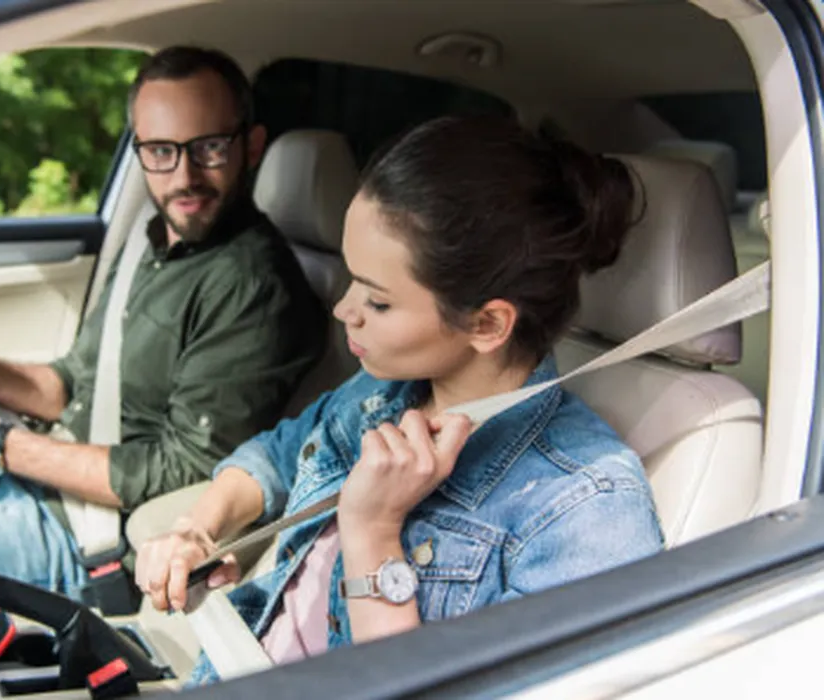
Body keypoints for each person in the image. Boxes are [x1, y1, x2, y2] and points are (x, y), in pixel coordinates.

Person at [133, 115, 665, 686]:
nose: (344, 310)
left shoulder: (584, 510)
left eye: (378, 302)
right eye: (352, 280)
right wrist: (200, 528)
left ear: (487, 323)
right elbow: (276, 455)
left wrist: (373, 534)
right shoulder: (381, 393)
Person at [0, 46, 326, 604]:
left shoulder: (257, 287)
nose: (184, 176)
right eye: (161, 152)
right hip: (44, 473)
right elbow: (72, 383)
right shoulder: (154, 236)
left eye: (209, 149)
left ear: (252, 146)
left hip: (83, 543)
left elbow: (185, 468)